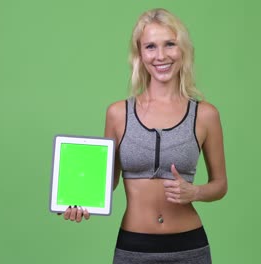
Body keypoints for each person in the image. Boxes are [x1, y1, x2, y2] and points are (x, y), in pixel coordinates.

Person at [61, 8, 227, 264]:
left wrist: (194, 192)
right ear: (139, 54)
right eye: (150, 46)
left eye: (169, 44)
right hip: (133, 247)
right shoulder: (118, 113)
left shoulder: (205, 115)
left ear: (182, 50)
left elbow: (220, 185)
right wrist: (80, 201)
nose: (161, 55)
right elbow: (107, 183)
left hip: (189, 247)